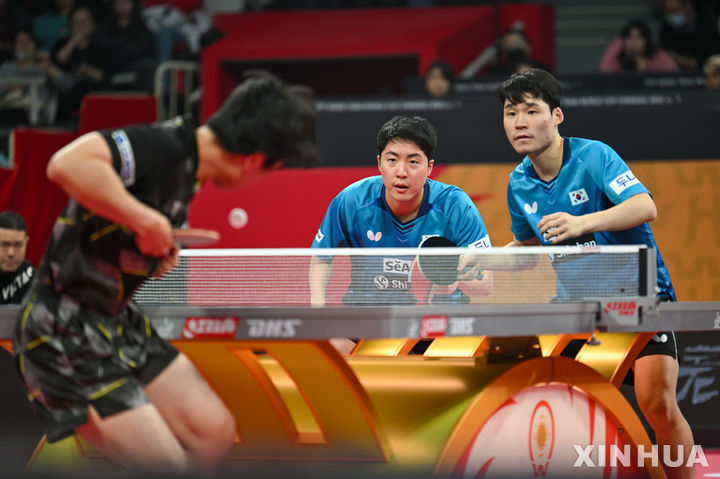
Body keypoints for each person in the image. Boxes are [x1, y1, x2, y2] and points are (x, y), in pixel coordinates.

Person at [12, 71, 319, 473]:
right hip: (63, 331)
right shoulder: (164, 145)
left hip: (118, 323)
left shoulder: (190, 173)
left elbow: (108, 228)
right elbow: (66, 163)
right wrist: (145, 221)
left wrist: (152, 254)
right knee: (165, 466)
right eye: (270, 170)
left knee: (213, 432)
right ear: (254, 160)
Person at [495, 68, 694, 479]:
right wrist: (481, 261)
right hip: (577, 306)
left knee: (657, 404)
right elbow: (528, 244)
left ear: (557, 116)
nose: (519, 122)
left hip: (639, 295)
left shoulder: (594, 156)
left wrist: (582, 223)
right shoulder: (518, 183)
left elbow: (644, 207)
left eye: (531, 111)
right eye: (511, 113)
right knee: (557, 404)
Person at [309, 115, 492, 310]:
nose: (401, 172)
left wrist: (451, 280)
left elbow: (486, 284)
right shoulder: (352, 201)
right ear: (379, 163)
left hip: (439, 317)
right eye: (392, 160)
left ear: (429, 167)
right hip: (369, 315)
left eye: (413, 162)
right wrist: (318, 312)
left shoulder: (456, 206)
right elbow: (321, 259)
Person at [600, 19, 679, 73]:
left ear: (646, 40)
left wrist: (648, 68)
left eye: (639, 38)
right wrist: (617, 43)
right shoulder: (618, 58)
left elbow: (673, 75)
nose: (634, 42)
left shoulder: (658, 55)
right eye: (629, 38)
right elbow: (604, 70)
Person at [0, 211, 35, 305]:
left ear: (26, 243)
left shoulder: (28, 272)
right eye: (4, 245)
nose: (11, 253)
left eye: (18, 245)